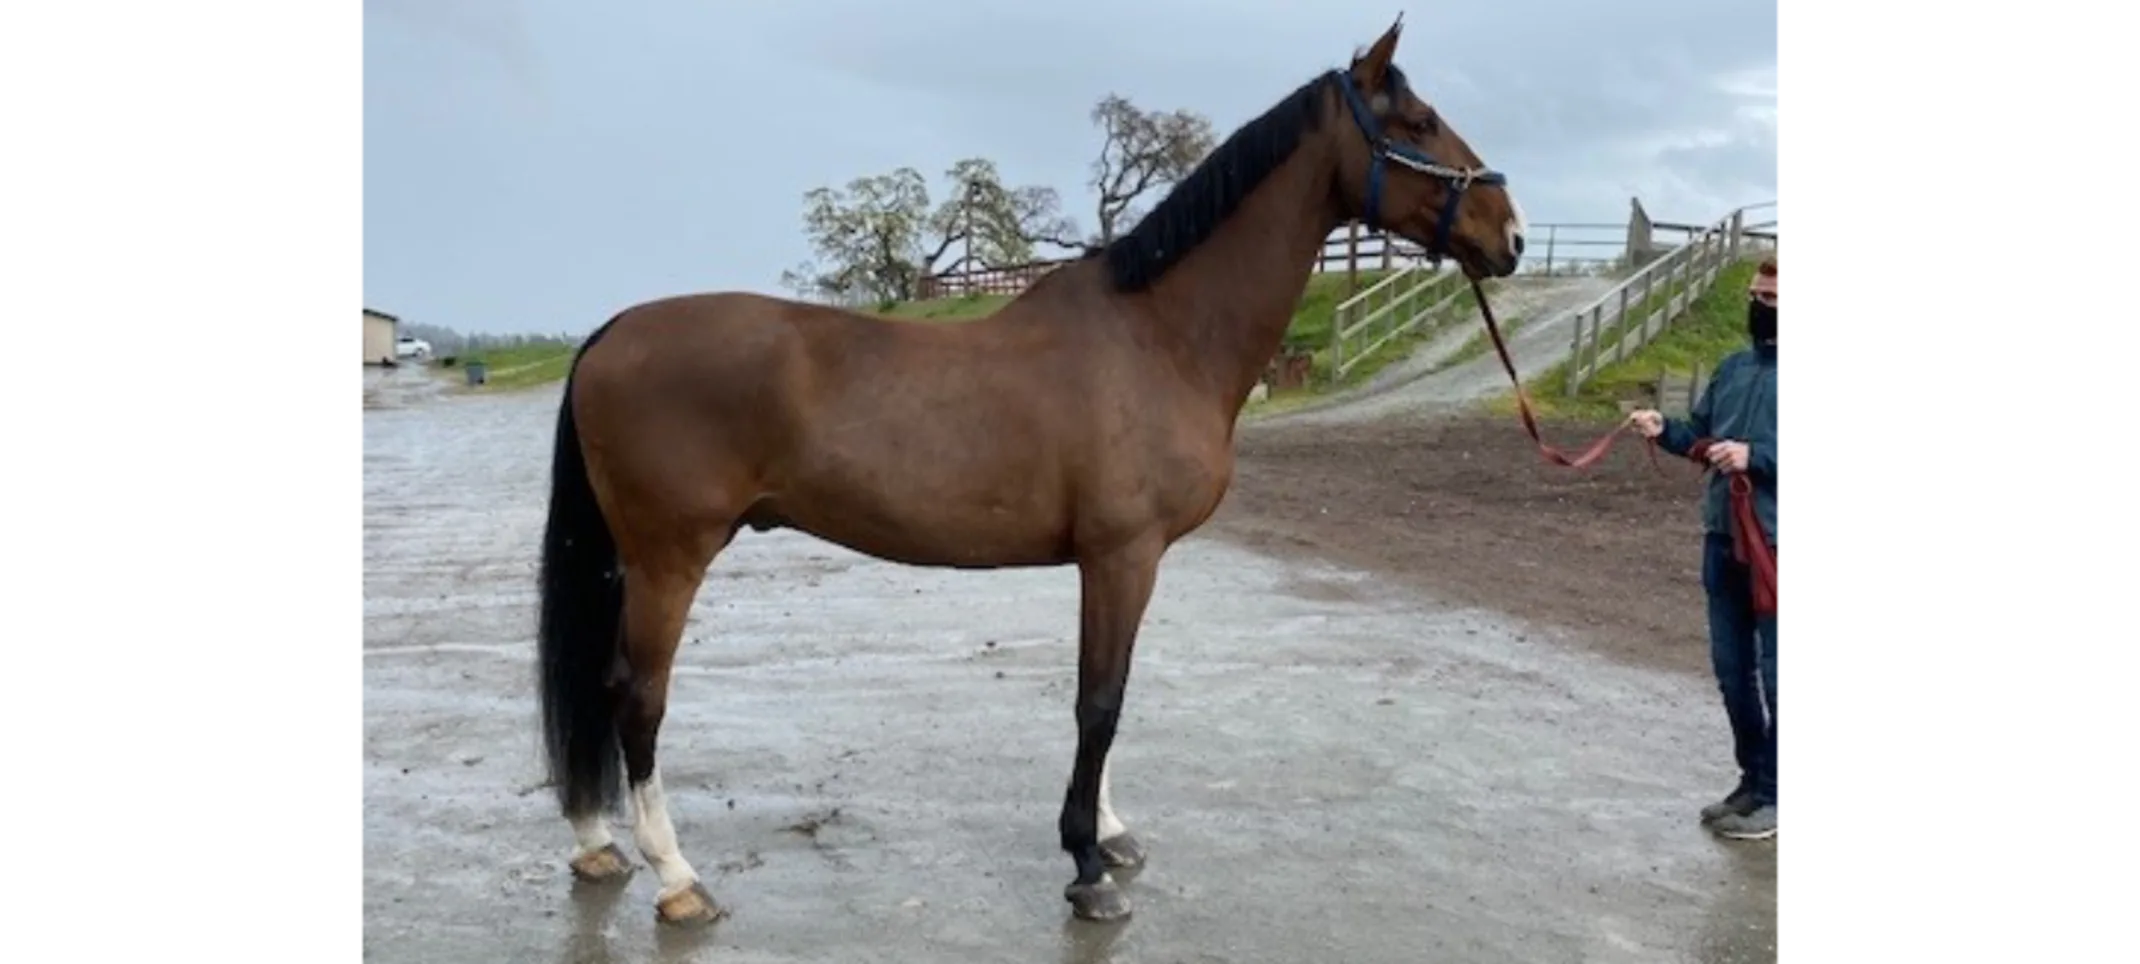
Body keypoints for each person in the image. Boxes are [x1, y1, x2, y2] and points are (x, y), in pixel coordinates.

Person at [1628, 257, 1783, 841]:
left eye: (1769, 296)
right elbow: (1700, 435)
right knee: (1730, 671)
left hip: (1776, 547)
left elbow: (1749, 454)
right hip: (1723, 540)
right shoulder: (1733, 368)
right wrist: (1663, 430)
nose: (1758, 304)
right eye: (1755, 293)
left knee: (1779, 678)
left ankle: (1777, 796)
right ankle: (1752, 781)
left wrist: (1756, 458)